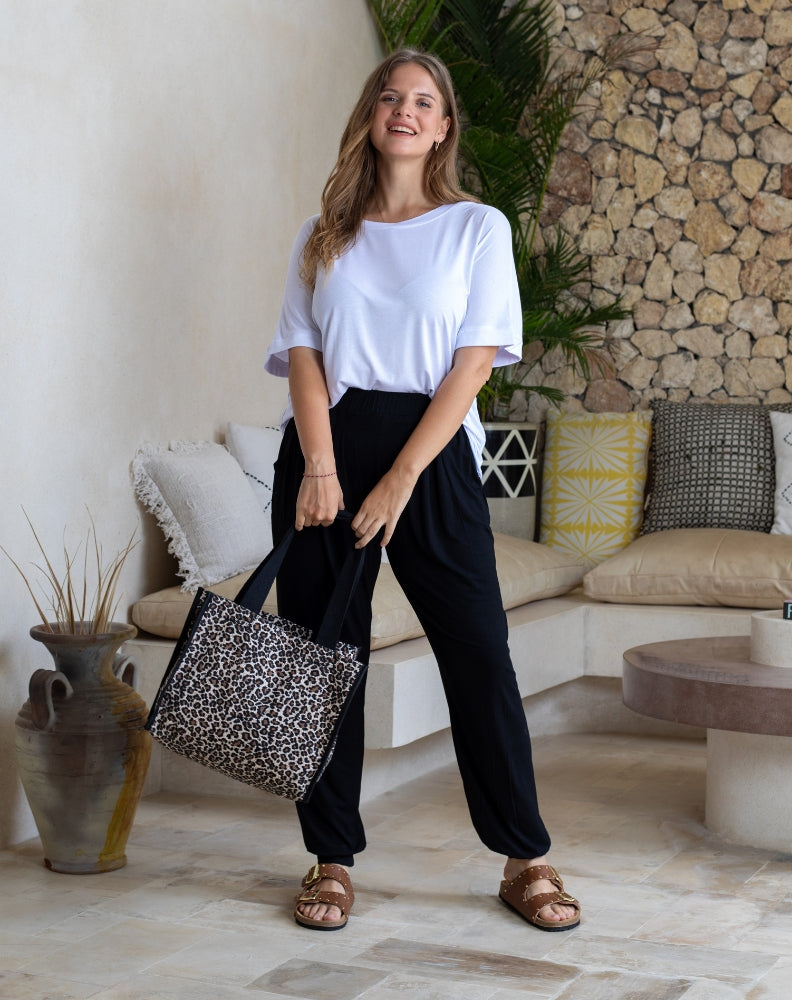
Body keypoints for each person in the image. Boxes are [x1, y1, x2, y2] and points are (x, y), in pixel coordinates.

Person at [264, 48, 580, 933]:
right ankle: (330, 859)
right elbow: (302, 352)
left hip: (432, 455)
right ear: (372, 115)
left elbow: (474, 361)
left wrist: (402, 478)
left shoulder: (476, 227)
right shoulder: (324, 230)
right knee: (324, 658)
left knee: (478, 652)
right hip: (326, 449)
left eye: (423, 101)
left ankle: (525, 857)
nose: (404, 110)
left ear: (442, 128)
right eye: (391, 97)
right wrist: (321, 466)